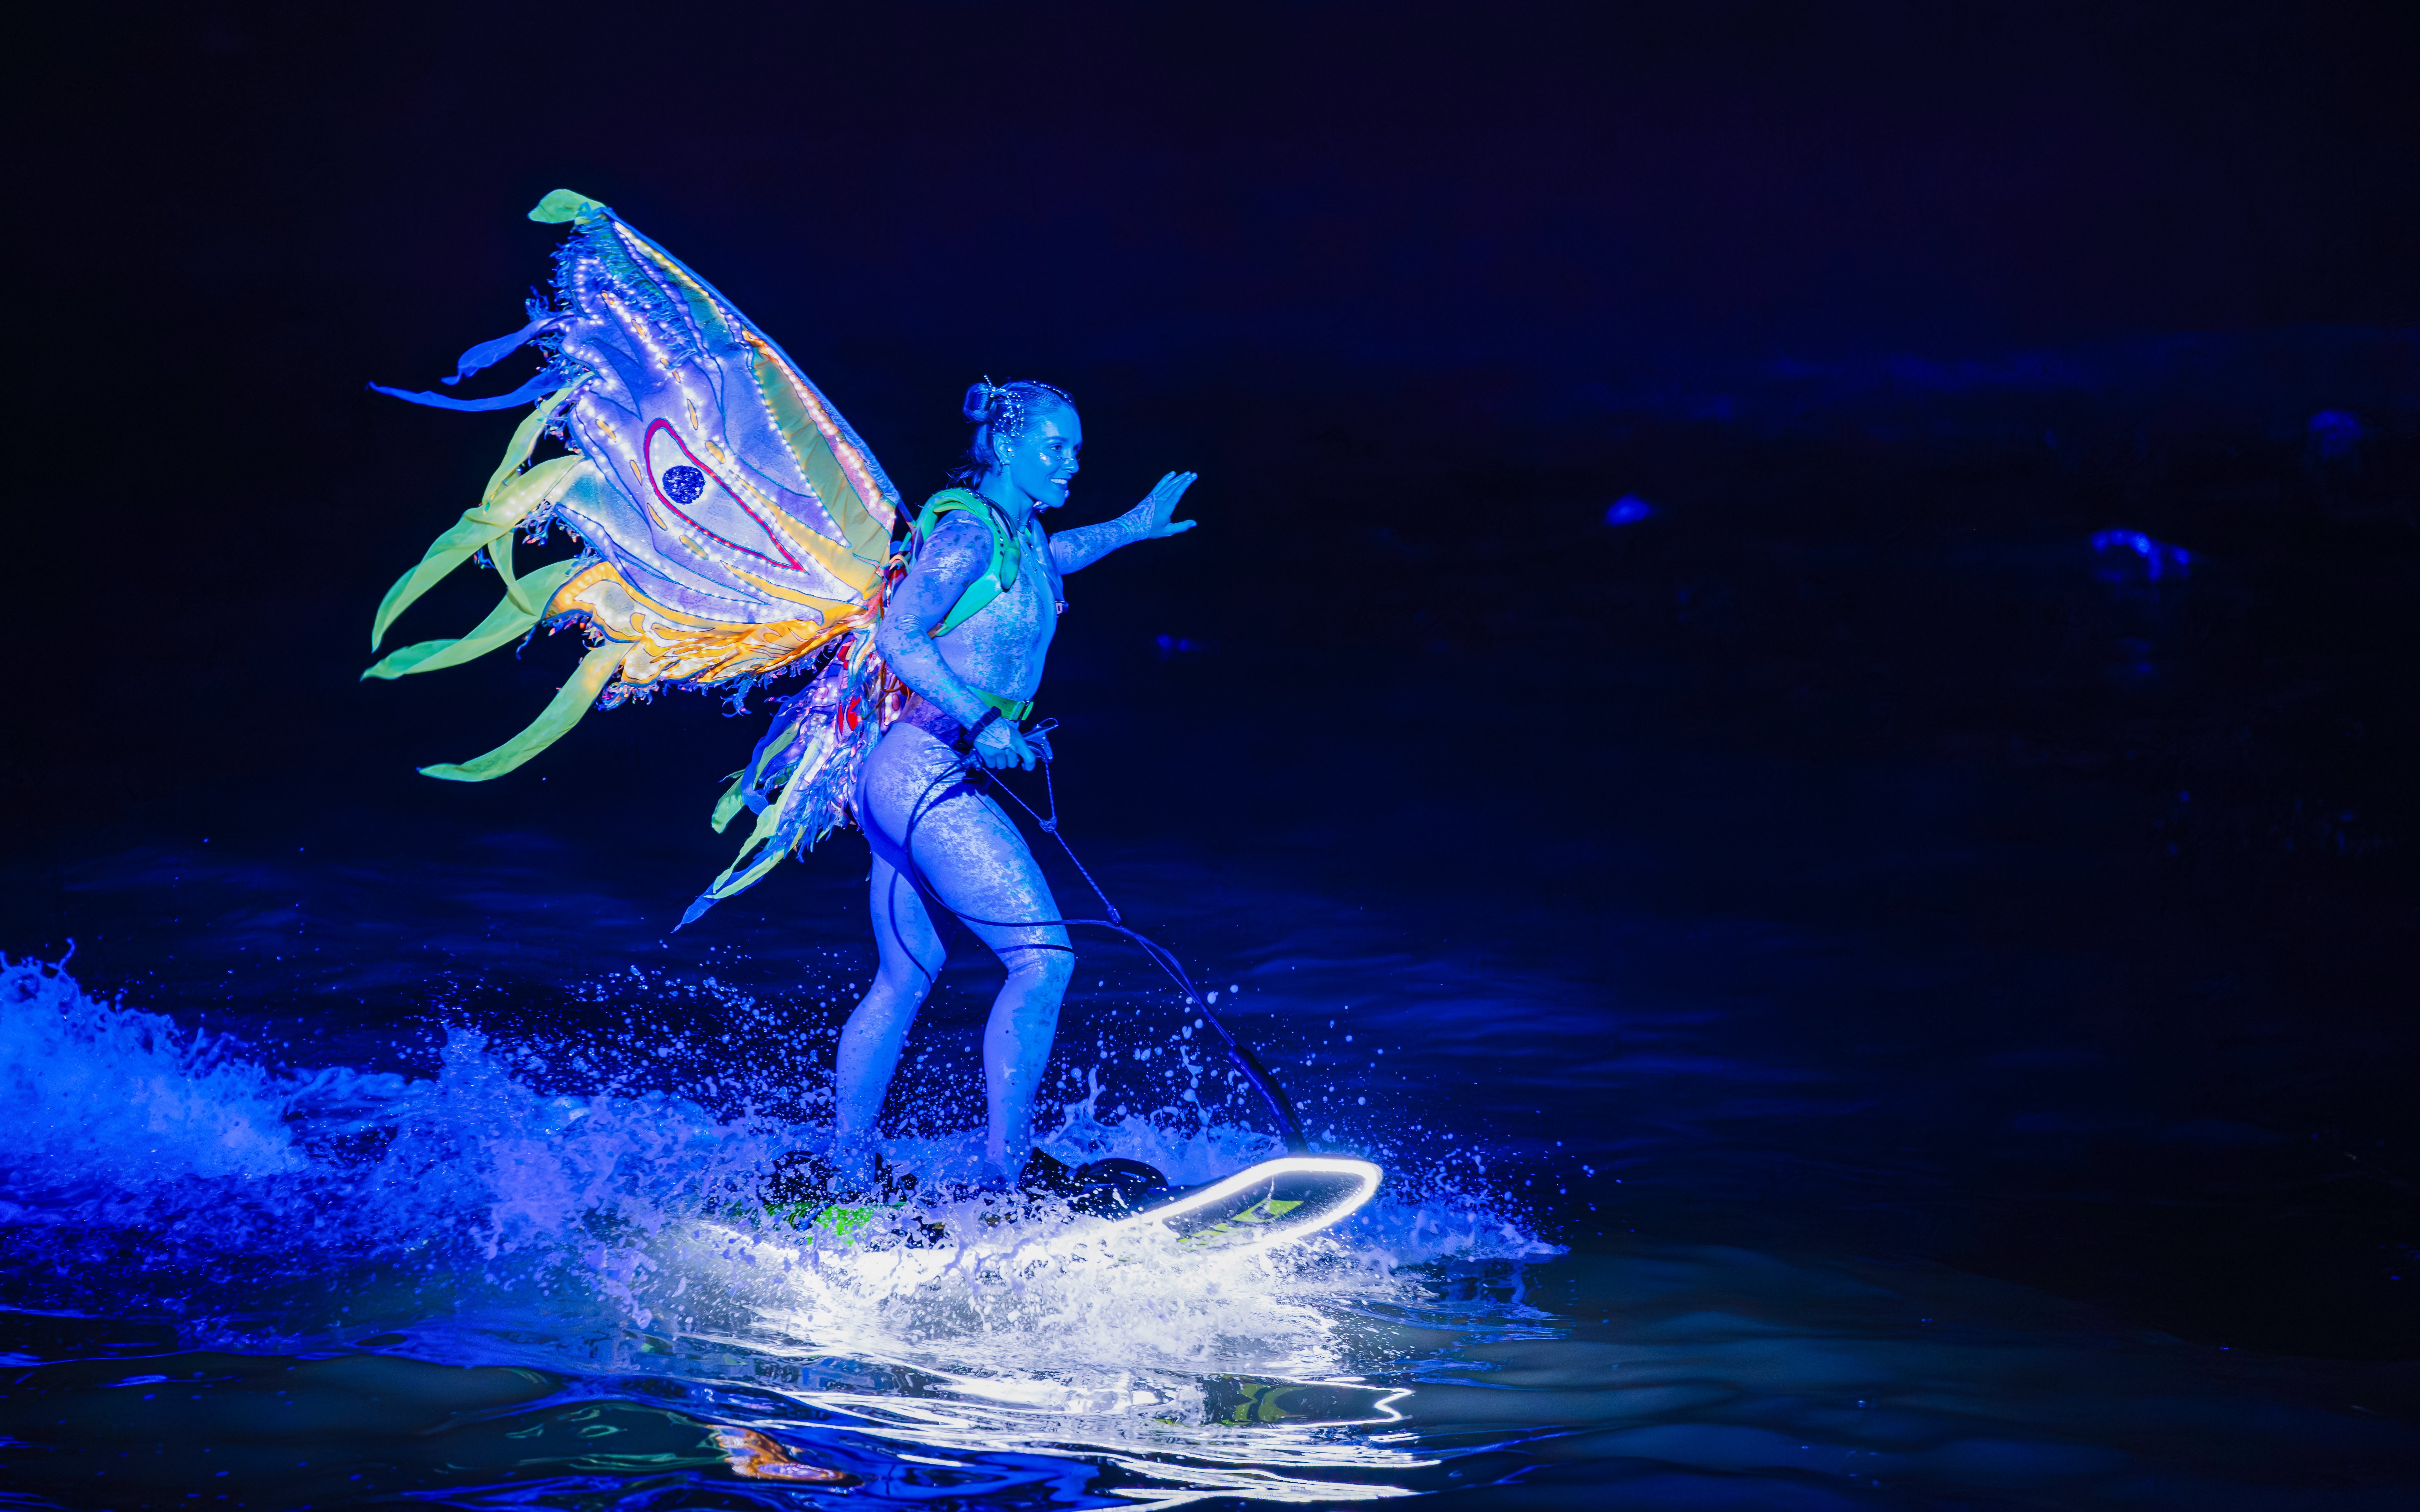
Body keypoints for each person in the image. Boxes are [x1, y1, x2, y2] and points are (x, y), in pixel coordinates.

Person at [834, 380, 1197, 1190]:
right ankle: (1005, 1181)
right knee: (1044, 961)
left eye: (1077, 449)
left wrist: (1131, 529)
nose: (1073, 462)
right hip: (925, 773)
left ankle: (845, 1171)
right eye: (1055, 446)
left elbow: (1052, 558)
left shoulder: (1017, 533)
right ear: (1005, 446)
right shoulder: (966, 533)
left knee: (906, 975)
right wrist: (981, 718)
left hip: (909, 775)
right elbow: (898, 634)